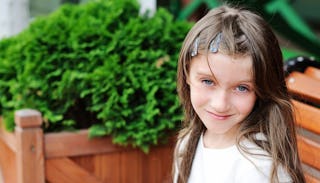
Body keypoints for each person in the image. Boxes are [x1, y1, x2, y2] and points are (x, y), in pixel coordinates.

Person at [173, 4, 306, 183]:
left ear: (261, 90)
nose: (220, 104)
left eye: (242, 88)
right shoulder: (189, 141)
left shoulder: (258, 168)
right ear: (187, 74)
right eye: (208, 81)